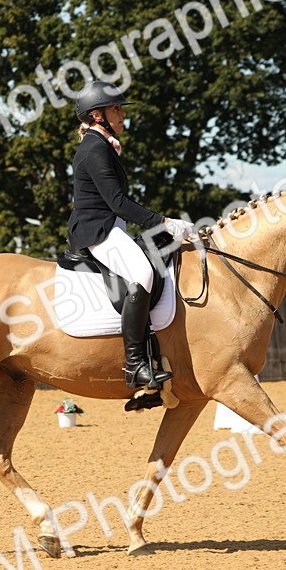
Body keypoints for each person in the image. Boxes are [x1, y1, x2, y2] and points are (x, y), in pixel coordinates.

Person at [67, 80, 196, 389]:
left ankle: (158, 351)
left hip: (111, 227)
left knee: (168, 246)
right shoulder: (94, 150)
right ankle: (135, 365)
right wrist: (163, 221)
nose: (123, 115)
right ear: (98, 116)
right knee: (142, 275)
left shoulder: (100, 146)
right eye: (116, 109)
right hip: (96, 232)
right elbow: (118, 203)